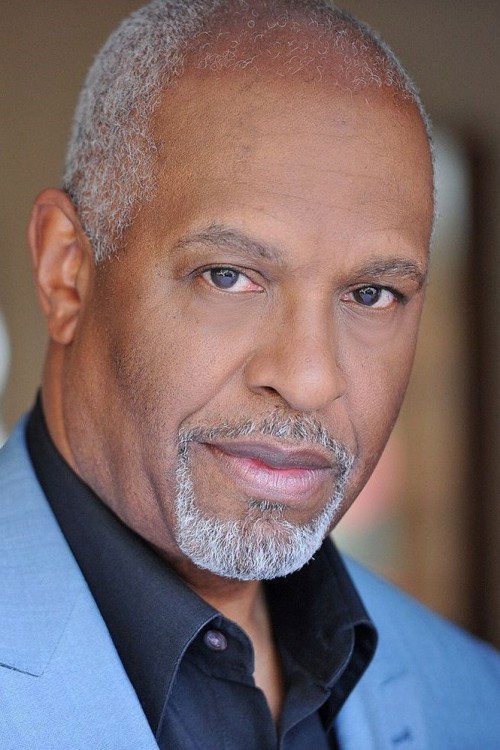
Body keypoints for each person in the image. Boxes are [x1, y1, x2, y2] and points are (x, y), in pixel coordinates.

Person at [1, 1, 499, 748]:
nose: (308, 378)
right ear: (66, 271)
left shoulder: (473, 698)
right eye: (229, 276)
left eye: (371, 294)